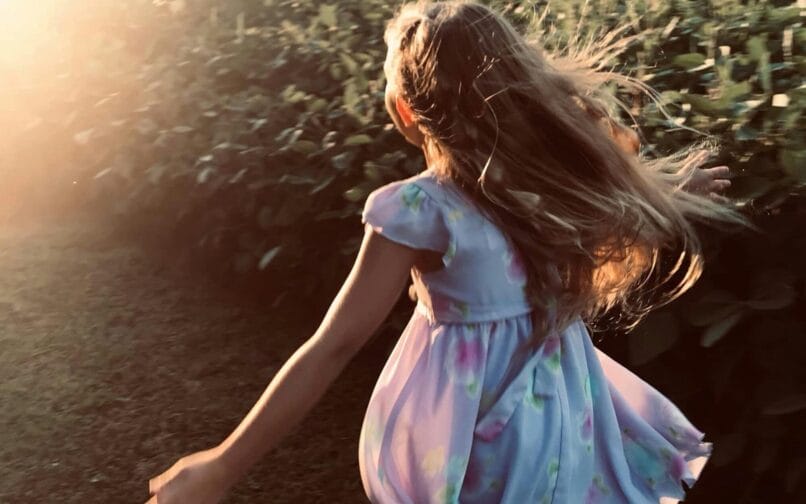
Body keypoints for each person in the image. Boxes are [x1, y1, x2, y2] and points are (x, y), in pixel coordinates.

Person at [146, 1, 745, 503]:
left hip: (466, 424)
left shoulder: (417, 210)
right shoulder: (549, 183)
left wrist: (226, 462)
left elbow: (335, 344)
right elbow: (608, 221)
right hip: (559, 411)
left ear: (406, 110)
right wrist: (664, 199)